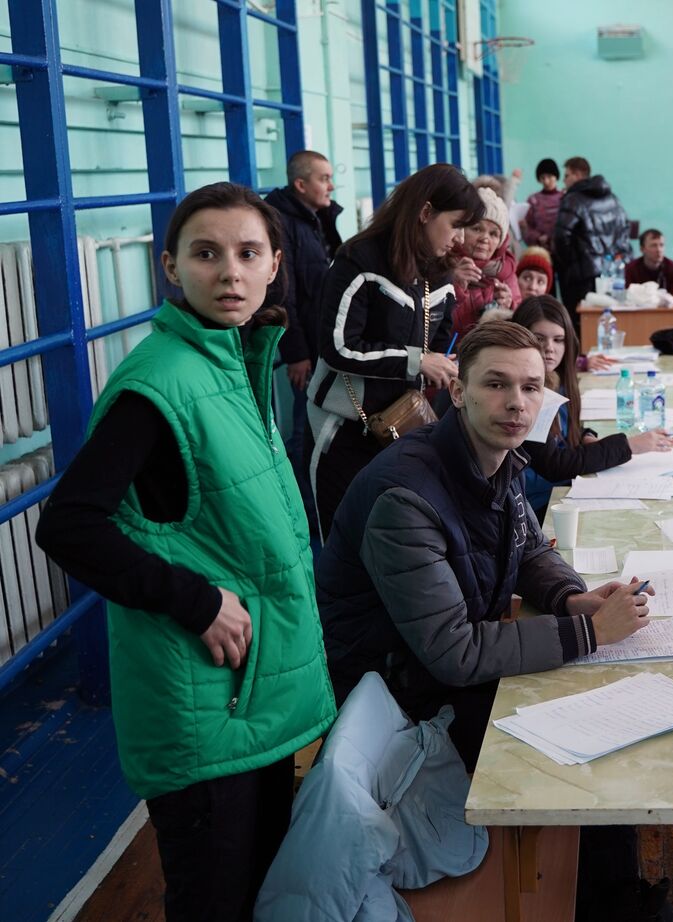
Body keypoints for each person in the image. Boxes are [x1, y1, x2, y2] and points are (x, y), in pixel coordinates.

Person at [36, 183, 336, 922]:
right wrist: (194, 600)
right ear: (171, 268)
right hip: (203, 706)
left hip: (246, 696)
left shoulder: (232, 365)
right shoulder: (158, 383)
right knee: (214, 901)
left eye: (247, 253)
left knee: (256, 887)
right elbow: (69, 524)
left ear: (274, 269)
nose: (229, 272)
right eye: (206, 254)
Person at [315, 320, 669, 920]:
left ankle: (611, 894)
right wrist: (587, 633)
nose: (516, 403)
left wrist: (569, 598)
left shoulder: (496, 456)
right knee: (598, 744)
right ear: (458, 391)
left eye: (531, 388)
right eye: (497, 385)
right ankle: (610, 904)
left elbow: (528, 549)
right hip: (399, 703)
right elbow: (453, 653)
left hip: (441, 672)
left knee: (604, 717)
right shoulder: (406, 497)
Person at [305, 162, 475, 537]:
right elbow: (337, 348)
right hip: (344, 428)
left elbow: (439, 343)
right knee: (342, 537)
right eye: (455, 224)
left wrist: (450, 365)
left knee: (393, 536)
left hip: (403, 426)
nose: (459, 238)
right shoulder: (358, 260)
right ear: (425, 212)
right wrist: (416, 362)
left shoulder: (440, 271)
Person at [513, 296, 673, 518]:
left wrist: (585, 437)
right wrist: (629, 446)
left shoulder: (557, 379)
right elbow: (555, 465)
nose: (549, 348)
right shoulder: (523, 394)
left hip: (557, 493)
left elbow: (562, 428)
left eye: (558, 339)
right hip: (534, 507)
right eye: (539, 338)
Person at [264, 150, 344, 539]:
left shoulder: (314, 218)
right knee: (302, 437)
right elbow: (284, 293)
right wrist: (296, 353)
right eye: (324, 178)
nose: (331, 186)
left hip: (319, 345)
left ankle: (313, 515)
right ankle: (303, 522)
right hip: (304, 351)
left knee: (313, 433)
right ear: (300, 184)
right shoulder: (282, 222)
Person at [552, 156, 631, 328]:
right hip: (613, 275)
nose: (564, 181)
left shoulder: (573, 199)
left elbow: (560, 237)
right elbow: (625, 229)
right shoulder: (612, 198)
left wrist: (571, 262)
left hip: (581, 278)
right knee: (611, 324)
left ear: (578, 174)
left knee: (581, 327)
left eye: (566, 176)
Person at [450, 186, 519, 334]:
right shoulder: (442, 263)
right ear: (461, 231)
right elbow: (429, 328)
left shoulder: (506, 270)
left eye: (494, 234)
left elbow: (522, 326)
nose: (485, 239)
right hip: (449, 354)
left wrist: (509, 306)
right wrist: (455, 285)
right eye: (476, 229)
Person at [523, 158, 563, 251]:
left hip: (561, 251)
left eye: (549, 176)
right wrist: (538, 238)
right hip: (539, 250)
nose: (546, 181)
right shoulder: (533, 200)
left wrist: (551, 238)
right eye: (542, 178)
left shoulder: (564, 198)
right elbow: (527, 227)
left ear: (556, 176)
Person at [624, 228, 673, 292]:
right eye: (653, 245)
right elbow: (629, 294)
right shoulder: (631, 268)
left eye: (661, 245)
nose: (659, 250)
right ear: (642, 249)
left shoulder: (672, 267)